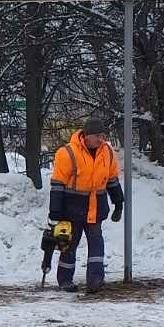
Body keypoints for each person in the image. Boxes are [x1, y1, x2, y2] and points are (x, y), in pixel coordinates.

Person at [48, 115, 124, 293]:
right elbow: (57, 186)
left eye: (102, 135)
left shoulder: (108, 152)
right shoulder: (67, 153)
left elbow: (112, 180)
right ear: (86, 136)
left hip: (96, 207)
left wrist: (118, 202)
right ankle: (65, 280)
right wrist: (55, 214)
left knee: (97, 243)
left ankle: (96, 280)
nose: (100, 139)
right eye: (97, 135)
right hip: (72, 209)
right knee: (69, 244)